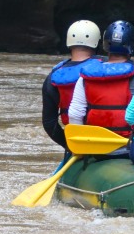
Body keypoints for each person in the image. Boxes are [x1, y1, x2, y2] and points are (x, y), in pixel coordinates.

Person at [68, 21, 134, 155]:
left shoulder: (85, 77)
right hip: (131, 147)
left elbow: (75, 114)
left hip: (95, 147)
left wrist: (80, 149)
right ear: (132, 45)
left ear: (105, 44)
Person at [41, 20, 100, 150]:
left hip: (76, 141)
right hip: (107, 139)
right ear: (97, 42)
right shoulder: (106, 68)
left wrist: (69, 145)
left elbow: (49, 123)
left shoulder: (53, 76)